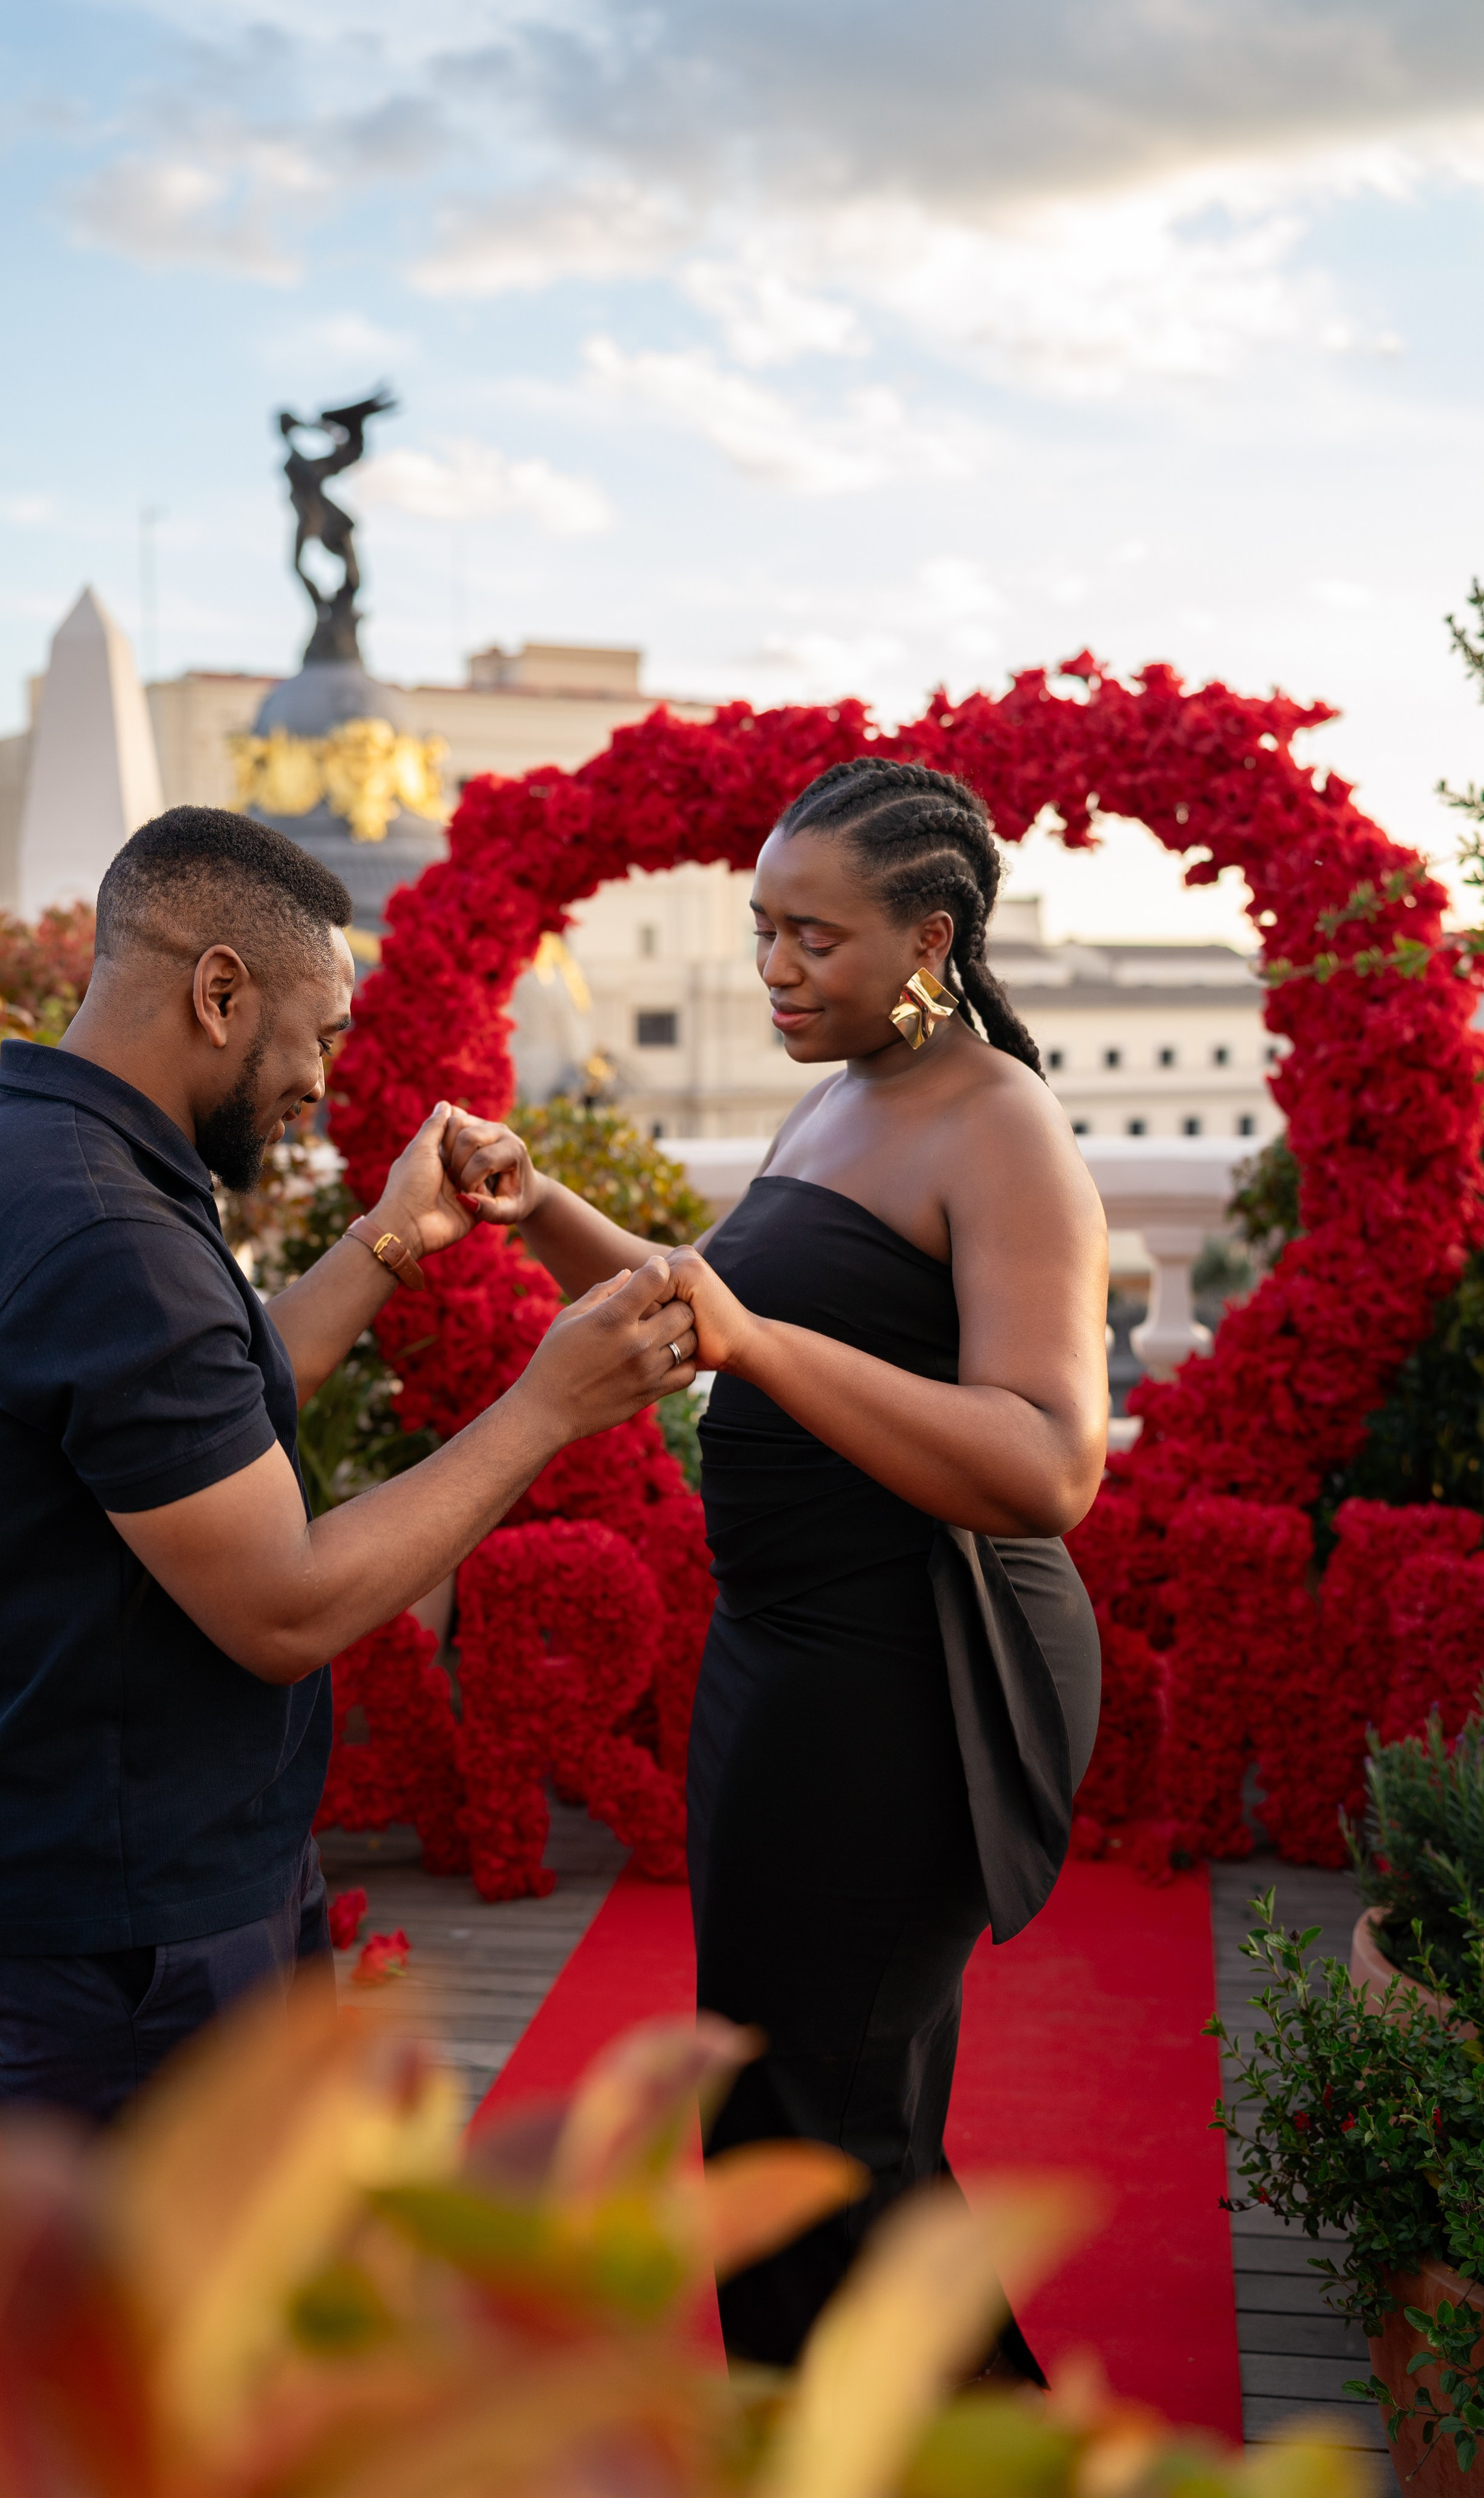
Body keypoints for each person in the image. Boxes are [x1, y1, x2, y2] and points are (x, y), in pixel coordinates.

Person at [441, 758, 1108, 2367]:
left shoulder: (998, 1124)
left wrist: (756, 1343)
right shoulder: (842, 1091)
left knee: (822, 2139)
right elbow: (714, 1317)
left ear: (927, 939)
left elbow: (1046, 1463)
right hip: (786, 1661)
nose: (773, 972)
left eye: (812, 938)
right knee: (780, 2098)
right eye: (759, 931)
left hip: (909, 1669)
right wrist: (542, 1215)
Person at [0, 806, 695, 2123]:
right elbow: (285, 1606)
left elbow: (198, 1400)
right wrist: (547, 1406)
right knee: (192, 2318)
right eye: (319, 1034)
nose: (323, 1078)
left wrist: (390, 1236)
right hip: (128, 1904)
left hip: (110, 1854)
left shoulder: (25, 1145)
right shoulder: (101, 1228)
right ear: (219, 992)